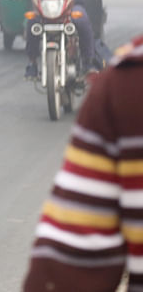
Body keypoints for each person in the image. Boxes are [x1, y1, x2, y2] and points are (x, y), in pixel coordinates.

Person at [22, 34, 143, 291]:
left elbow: (68, 267)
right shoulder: (123, 81)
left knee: (84, 21)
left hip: (70, 9)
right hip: (47, 9)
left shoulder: (125, 81)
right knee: (32, 25)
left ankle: (87, 60)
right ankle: (33, 61)